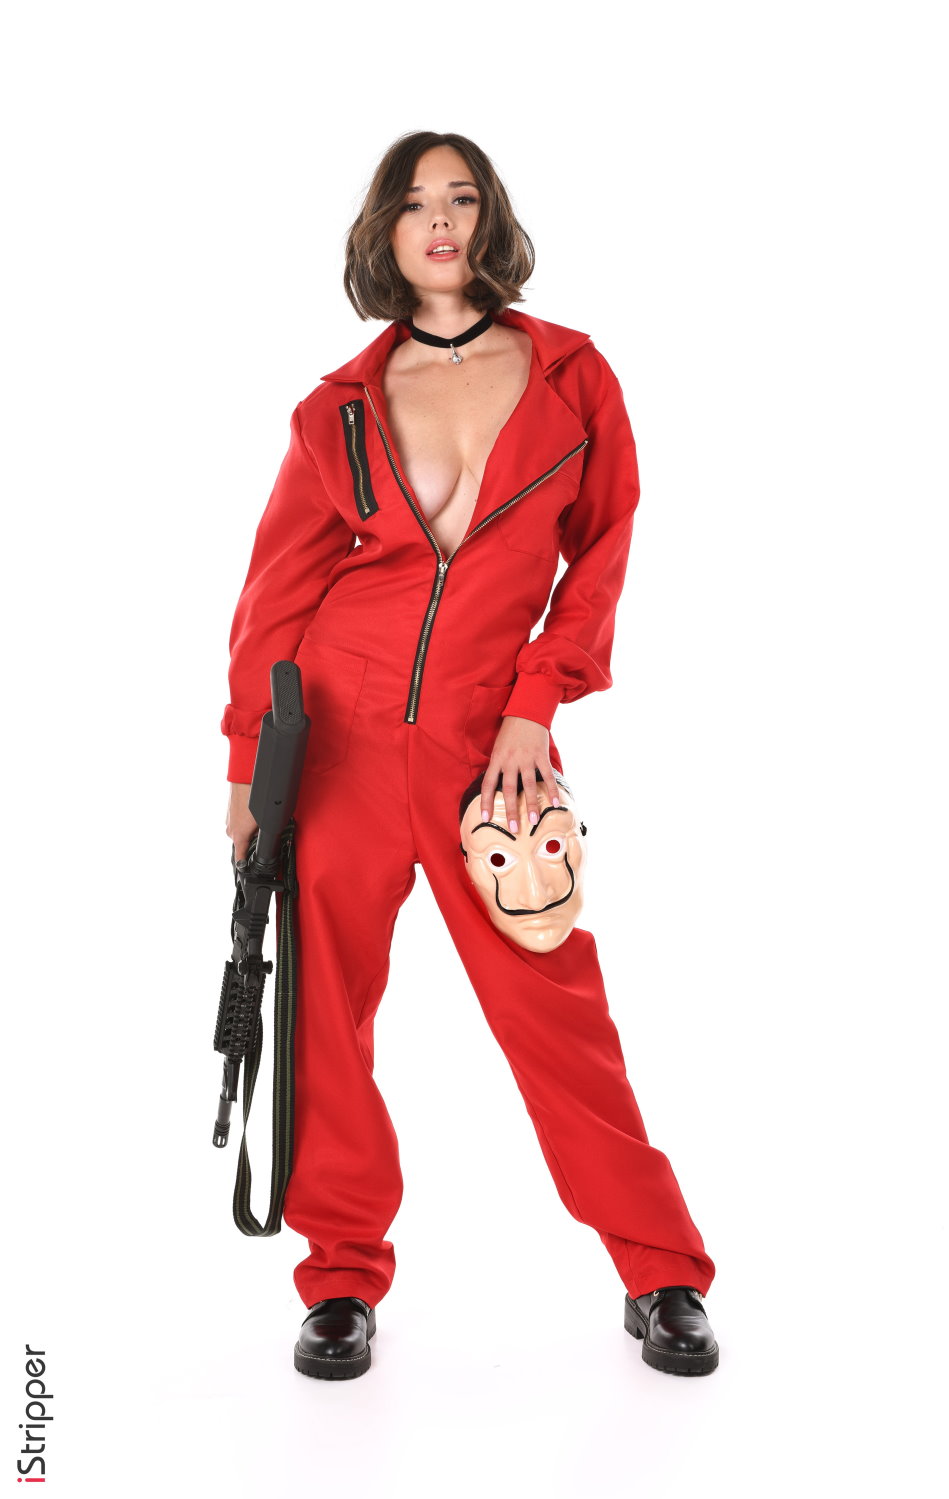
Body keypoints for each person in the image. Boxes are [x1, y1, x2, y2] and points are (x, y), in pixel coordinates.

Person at [221, 130, 719, 1380]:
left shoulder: (570, 376)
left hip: (486, 753)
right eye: (413, 203)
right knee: (323, 1015)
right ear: (384, 232)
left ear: (489, 218)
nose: (438, 220)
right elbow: (275, 594)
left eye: (460, 197)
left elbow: (600, 554)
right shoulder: (337, 405)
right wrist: (246, 767)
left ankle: (659, 1267)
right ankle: (340, 1276)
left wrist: (535, 704)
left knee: (555, 1007)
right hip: (335, 738)